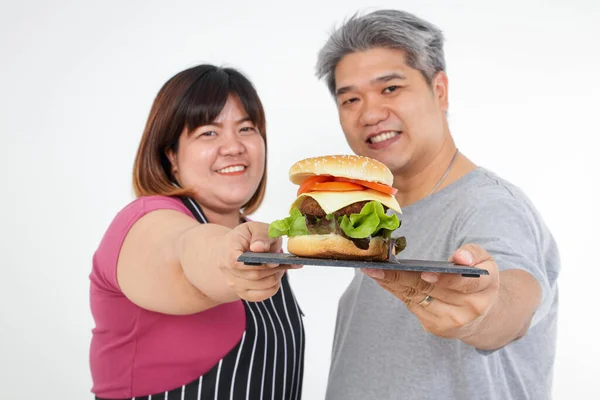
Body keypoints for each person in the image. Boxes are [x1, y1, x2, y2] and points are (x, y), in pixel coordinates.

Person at [314, 9, 560, 400]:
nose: (370, 114)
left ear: (439, 90)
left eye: (390, 88)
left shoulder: (490, 205)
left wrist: (484, 309)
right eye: (350, 99)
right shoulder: (377, 214)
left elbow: (513, 299)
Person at [89, 64, 305, 400]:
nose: (233, 147)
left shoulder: (260, 240)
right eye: (208, 132)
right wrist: (229, 257)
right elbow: (189, 251)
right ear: (171, 155)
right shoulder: (144, 222)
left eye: (247, 128)